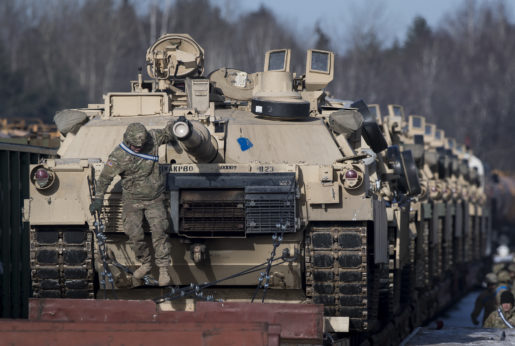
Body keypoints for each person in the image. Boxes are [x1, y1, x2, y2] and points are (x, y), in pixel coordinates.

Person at [89, 121, 176, 286]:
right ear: (128, 141)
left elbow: (167, 133)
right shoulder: (118, 156)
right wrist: (99, 198)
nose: (139, 148)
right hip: (132, 200)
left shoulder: (152, 139)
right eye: (135, 145)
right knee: (133, 233)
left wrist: (175, 125)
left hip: (155, 198)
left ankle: (163, 268)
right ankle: (145, 263)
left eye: (141, 145)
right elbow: (105, 178)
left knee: (160, 231)